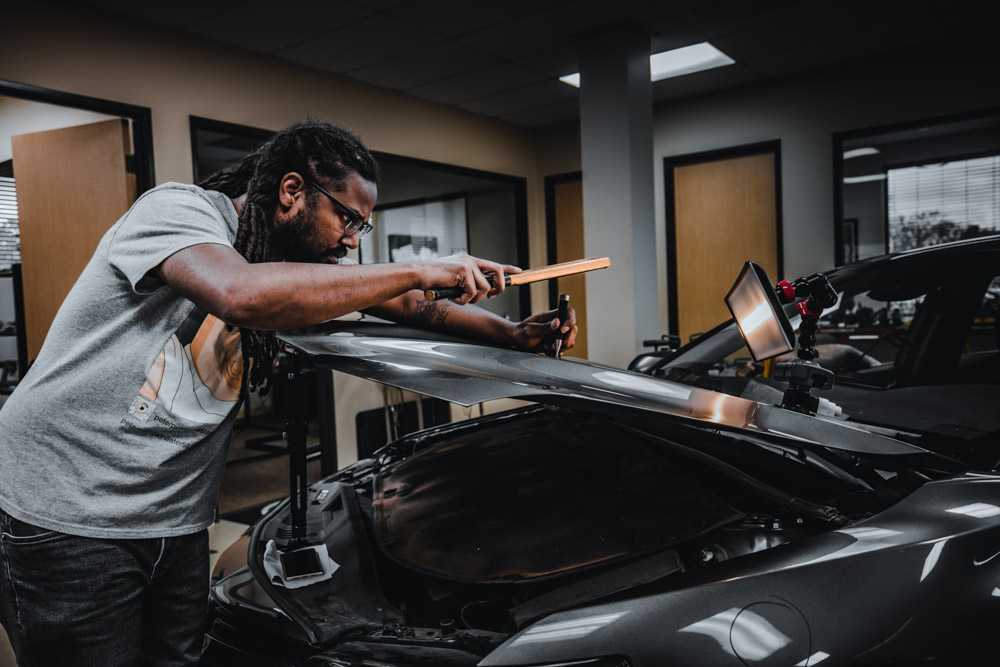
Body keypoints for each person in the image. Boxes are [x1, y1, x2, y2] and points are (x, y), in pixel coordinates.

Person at [0, 119, 577, 666]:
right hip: (65, 510)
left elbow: (402, 303)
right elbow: (238, 294)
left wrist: (513, 334)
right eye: (348, 220)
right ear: (292, 191)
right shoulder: (177, 210)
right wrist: (421, 269)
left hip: (170, 516)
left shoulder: (288, 265)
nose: (352, 243)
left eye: (361, 229)